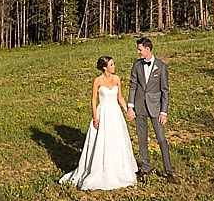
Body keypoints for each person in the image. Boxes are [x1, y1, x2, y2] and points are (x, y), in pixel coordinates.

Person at [59, 56, 138, 190]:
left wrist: (128, 110)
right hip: (103, 113)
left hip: (115, 114)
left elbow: (120, 97)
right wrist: (95, 117)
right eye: (111, 65)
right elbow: (94, 100)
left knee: (116, 140)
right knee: (102, 140)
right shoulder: (98, 80)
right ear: (104, 67)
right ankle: (99, 169)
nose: (114, 66)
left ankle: (118, 169)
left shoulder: (117, 79)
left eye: (114, 64)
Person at [127, 37, 174, 182]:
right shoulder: (136, 65)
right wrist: (130, 106)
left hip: (156, 108)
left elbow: (165, 91)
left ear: (148, 49)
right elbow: (133, 85)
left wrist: (163, 112)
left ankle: (168, 171)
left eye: (140, 49)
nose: (138, 52)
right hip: (140, 106)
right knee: (142, 139)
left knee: (161, 139)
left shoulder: (161, 66)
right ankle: (145, 168)